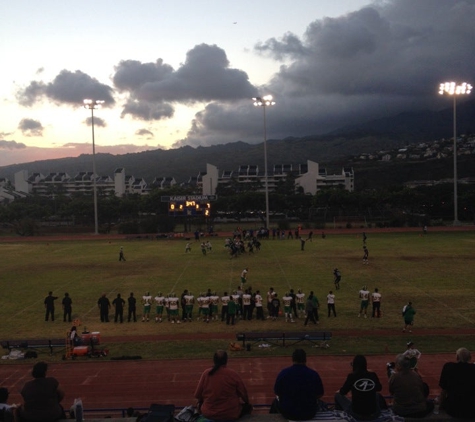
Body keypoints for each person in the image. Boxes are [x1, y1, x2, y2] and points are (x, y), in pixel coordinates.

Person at [194, 350, 251, 421]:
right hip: (230, 414)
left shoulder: (206, 373)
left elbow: (198, 395)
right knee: (248, 408)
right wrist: (247, 403)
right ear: (226, 360)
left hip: (209, 413)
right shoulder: (233, 374)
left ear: (214, 360)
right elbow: (244, 394)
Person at [272, 349, 324, 420]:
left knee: (275, 402)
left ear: (292, 359)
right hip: (309, 413)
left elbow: (277, 392)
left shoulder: (283, 373)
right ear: (305, 359)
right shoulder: (313, 374)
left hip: (288, 413)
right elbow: (320, 394)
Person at [335, 355, 382, 420]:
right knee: (376, 395)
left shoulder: (352, 376)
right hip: (373, 414)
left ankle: (338, 413)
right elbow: (379, 388)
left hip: (356, 414)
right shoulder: (372, 375)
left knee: (338, 395)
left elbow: (343, 392)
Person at [439, 347, 475, 419]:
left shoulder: (449, 367)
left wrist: (440, 405)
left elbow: (444, 390)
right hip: (472, 409)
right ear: (469, 358)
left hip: (452, 409)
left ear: (457, 357)